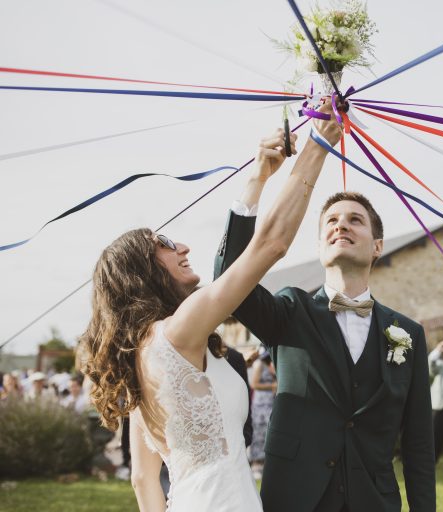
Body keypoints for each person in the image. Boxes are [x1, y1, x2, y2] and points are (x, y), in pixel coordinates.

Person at [79, 109, 341, 512]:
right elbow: (270, 245)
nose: (182, 246)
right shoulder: (177, 331)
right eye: (164, 243)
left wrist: (259, 175)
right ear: (141, 272)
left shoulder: (138, 353)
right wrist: (317, 146)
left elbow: (144, 478)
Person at [215, 190, 435, 510]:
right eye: (331, 221)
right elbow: (228, 278)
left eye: (355, 220)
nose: (341, 225)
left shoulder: (407, 333)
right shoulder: (291, 310)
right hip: (294, 498)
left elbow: (419, 442)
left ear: (377, 246)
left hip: (375, 500)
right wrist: (255, 184)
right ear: (320, 246)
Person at [249, 350, 277, 474]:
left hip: (270, 402)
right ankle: (257, 461)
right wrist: (271, 386)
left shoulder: (271, 364)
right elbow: (254, 384)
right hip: (261, 403)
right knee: (259, 432)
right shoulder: (260, 364)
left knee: (268, 431)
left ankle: (266, 462)